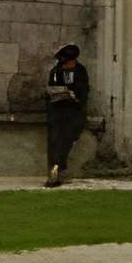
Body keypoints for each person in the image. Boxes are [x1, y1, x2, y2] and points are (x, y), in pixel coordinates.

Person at [44, 41, 89, 187]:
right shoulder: (56, 71)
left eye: (67, 63)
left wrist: (74, 95)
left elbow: (83, 93)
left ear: (73, 61)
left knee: (67, 139)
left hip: (73, 112)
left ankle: (58, 168)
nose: (64, 65)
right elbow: (51, 89)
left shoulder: (81, 71)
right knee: (54, 139)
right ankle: (54, 170)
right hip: (57, 110)